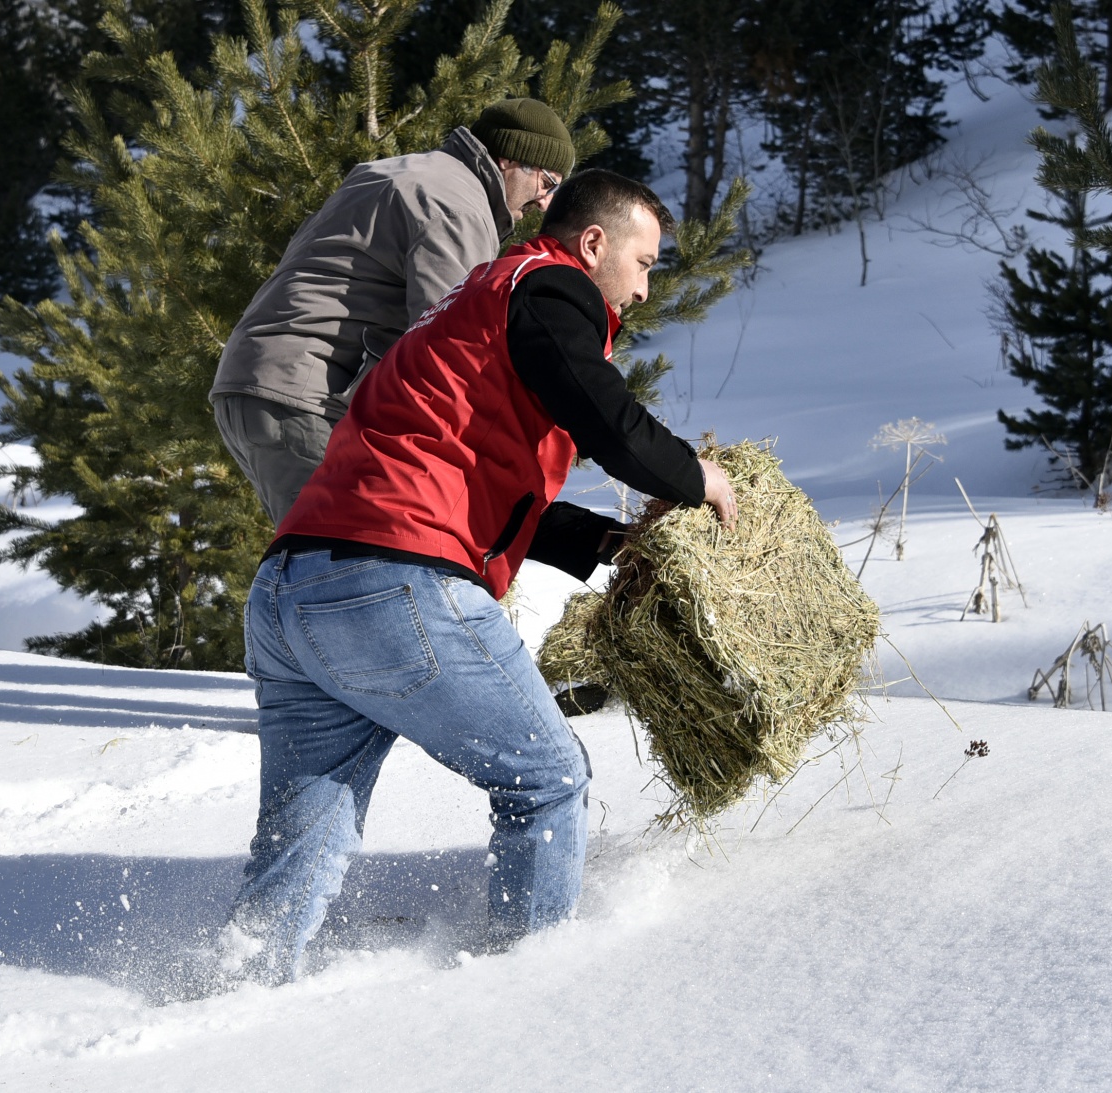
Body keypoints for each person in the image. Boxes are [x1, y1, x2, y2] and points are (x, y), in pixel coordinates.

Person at [223, 169, 739, 983]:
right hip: (391, 582)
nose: (642, 291)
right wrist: (693, 476)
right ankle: (514, 1005)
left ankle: (237, 992)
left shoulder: (475, 310)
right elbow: (602, 411)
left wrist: (614, 546)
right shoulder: (550, 287)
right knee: (548, 778)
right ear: (593, 244)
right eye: (642, 264)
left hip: (295, 590)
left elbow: (483, 492)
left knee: (306, 836)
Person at [210, 98, 576, 525]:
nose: (545, 203)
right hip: (311, 395)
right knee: (340, 564)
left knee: (308, 560)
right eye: (547, 182)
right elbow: (453, 342)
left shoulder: (393, 171)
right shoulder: (457, 204)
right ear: (510, 158)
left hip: (257, 383)